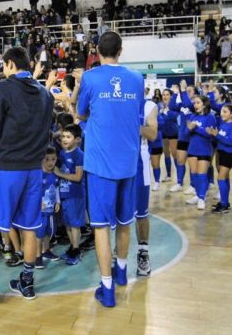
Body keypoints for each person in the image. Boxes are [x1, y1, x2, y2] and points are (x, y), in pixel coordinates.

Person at [0, 46, 53, 300]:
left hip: (8, 167)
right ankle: (26, 283)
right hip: (33, 170)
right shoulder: (45, 94)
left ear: (9, 64)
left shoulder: (3, 88)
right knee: (29, 227)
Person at [76, 31, 145, 307]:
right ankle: (121, 272)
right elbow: (135, 111)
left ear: (96, 50)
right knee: (125, 221)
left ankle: (107, 290)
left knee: (102, 227)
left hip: (101, 163)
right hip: (128, 162)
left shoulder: (90, 78)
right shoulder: (137, 79)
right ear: (121, 50)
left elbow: (81, 113)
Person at [54, 124, 85, 266]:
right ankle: (72, 247)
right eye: (63, 137)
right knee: (67, 224)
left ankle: (77, 250)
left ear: (77, 139)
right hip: (64, 194)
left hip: (75, 194)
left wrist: (60, 173)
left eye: (68, 137)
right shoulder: (61, 153)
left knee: (74, 225)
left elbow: (78, 177)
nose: (64, 139)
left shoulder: (79, 155)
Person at [135, 99, 159, 277]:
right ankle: (115, 254)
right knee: (115, 213)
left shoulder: (148, 106)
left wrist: (128, 125)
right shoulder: (112, 102)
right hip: (115, 162)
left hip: (139, 164)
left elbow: (152, 134)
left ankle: (143, 252)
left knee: (141, 214)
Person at [184, 95, 216, 210]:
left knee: (202, 175)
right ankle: (198, 195)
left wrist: (196, 128)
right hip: (192, 148)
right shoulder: (192, 116)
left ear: (204, 104)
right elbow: (185, 133)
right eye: (194, 103)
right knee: (194, 175)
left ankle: (202, 198)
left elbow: (210, 135)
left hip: (205, 149)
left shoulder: (210, 117)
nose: (195, 105)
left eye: (198, 103)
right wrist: (189, 128)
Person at [206, 104, 232, 213]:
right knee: (225, 178)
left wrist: (217, 135)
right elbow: (219, 139)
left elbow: (230, 141)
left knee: (221, 178)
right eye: (221, 111)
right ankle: (225, 202)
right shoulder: (223, 124)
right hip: (221, 153)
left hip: (229, 154)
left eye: (225, 112)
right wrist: (211, 134)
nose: (222, 114)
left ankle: (224, 205)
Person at [36, 147, 61, 268]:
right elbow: (33, 191)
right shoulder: (38, 174)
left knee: (48, 231)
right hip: (40, 211)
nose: (51, 162)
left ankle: (46, 251)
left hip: (50, 210)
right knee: (38, 234)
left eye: (53, 159)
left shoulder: (55, 174)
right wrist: (37, 203)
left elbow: (56, 189)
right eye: (47, 159)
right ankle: (37, 256)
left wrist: (58, 202)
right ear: (42, 160)